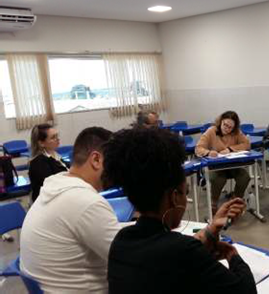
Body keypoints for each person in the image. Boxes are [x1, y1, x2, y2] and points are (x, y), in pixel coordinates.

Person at [103, 127, 256, 293]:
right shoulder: (182, 249)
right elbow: (245, 290)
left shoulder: (121, 242)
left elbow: (168, 261)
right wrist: (231, 254)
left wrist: (211, 230)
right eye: (186, 191)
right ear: (175, 197)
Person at [20, 127, 121, 293]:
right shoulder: (86, 202)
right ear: (96, 159)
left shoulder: (54, 187)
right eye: (113, 164)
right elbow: (130, 259)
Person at [195, 111, 251, 215]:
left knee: (244, 177)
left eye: (230, 127)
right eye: (225, 125)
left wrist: (230, 149)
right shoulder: (211, 131)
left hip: (231, 165)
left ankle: (235, 201)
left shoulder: (236, 132)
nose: (227, 128)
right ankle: (214, 203)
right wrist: (208, 152)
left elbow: (247, 144)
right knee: (219, 179)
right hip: (214, 167)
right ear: (220, 122)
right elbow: (198, 148)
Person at [28, 123, 69, 201]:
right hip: (50, 203)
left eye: (57, 136)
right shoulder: (38, 163)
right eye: (53, 137)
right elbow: (52, 188)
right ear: (41, 143)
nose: (57, 139)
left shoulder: (57, 156)